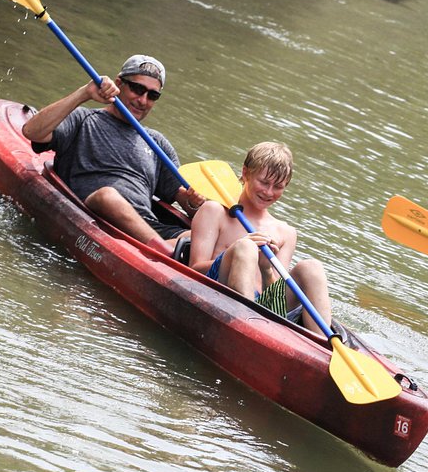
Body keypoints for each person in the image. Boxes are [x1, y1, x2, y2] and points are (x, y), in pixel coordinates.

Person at [21, 54, 204, 257]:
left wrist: (195, 202)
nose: (143, 100)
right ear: (119, 84)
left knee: (208, 236)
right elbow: (32, 131)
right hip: (97, 212)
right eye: (137, 89)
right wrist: (84, 93)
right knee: (107, 196)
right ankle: (162, 253)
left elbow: (186, 203)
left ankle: (165, 251)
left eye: (152, 95)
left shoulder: (157, 143)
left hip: (148, 228)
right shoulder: (84, 119)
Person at [187, 142, 333, 334]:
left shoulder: (286, 232)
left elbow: (274, 296)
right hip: (219, 292)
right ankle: (247, 329)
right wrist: (236, 251)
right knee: (246, 248)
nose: (269, 192)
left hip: (264, 309)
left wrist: (266, 269)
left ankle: (324, 342)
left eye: (278, 186)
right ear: (246, 173)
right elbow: (193, 270)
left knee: (312, 267)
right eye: (264, 182)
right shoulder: (214, 211)